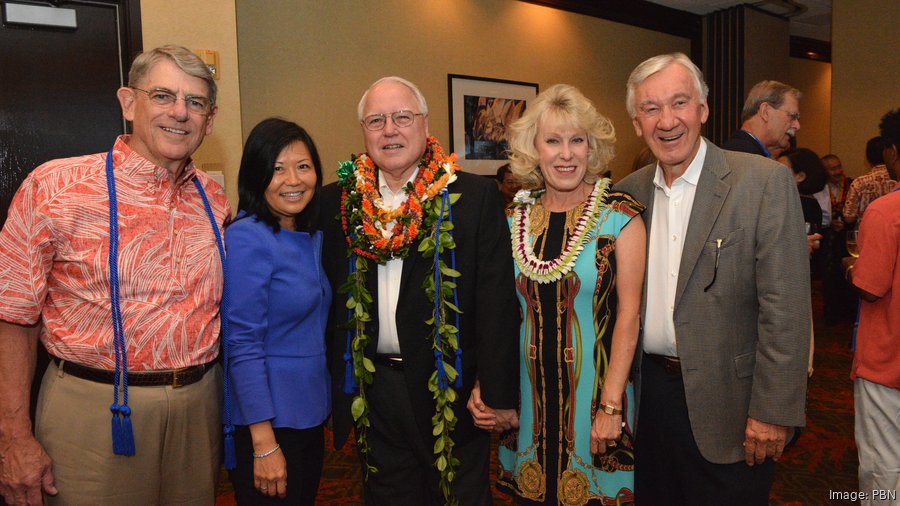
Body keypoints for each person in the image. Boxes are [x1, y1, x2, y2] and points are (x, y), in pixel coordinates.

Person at [0, 45, 229, 505]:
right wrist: (13, 438)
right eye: (163, 95)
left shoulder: (213, 197)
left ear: (210, 118)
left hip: (198, 408)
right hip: (93, 413)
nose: (180, 113)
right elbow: (12, 315)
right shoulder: (55, 187)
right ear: (128, 103)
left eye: (195, 102)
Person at [615, 53, 810, 505]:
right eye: (651, 108)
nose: (667, 121)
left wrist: (772, 412)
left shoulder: (762, 183)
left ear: (703, 109)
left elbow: (787, 310)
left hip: (734, 405)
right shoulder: (628, 193)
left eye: (679, 103)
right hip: (650, 403)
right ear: (635, 122)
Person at [319, 76, 520, 505]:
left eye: (402, 117)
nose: (389, 129)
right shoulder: (337, 201)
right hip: (374, 392)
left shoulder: (472, 196)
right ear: (363, 131)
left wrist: (497, 388)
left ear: (425, 124)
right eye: (376, 120)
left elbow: (497, 303)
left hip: (449, 386)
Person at [470, 83, 646, 505]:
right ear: (534, 149)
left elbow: (630, 316)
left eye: (576, 140)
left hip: (596, 402)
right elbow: (495, 313)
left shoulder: (620, 216)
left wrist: (610, 408)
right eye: (553, 141)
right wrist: (488, 385)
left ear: (591, 148)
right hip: (525, 402)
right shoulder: (512, 217)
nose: (565, 154)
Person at [224, 118, 331, 504]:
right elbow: (242, 343)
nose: (293, 179)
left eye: (303, 166)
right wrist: (263, 441)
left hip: (306, 416)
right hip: (269, 422)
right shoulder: (248, 237)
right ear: (256, 176)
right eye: (277, 168)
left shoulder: (304, 235)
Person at [843, 109, 900, 506]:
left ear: (893, 151)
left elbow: (870, 286)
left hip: (888, 362)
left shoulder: (886, 211)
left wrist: (851, 268)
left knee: (885, 470)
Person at [722, 80, 802, 159]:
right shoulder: (746, 158)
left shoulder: (739, 152)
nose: (797, 126)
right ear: (765, 112)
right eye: (792, 116)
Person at [842, 136, 895, 226]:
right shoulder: (896, 179)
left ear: (867, 157)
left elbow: (849, 218)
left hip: (867, 233)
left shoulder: (859, 182)